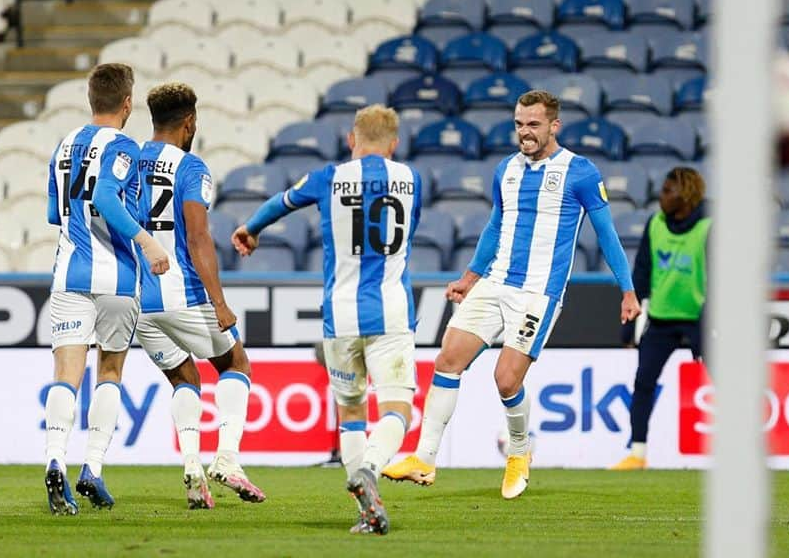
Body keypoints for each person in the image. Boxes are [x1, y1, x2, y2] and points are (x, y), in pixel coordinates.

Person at [382, 90, 641, 499]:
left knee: (506, 379)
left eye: (534, 124)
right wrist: (469, 278)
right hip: (495, 281)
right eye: (519, 123)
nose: (525, 132)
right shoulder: (506, 170)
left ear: (554, 126)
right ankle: (424, 458)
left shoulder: (581, 172)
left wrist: (626, 290)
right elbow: (494, 228)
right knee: (448, 358)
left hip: (539, 293)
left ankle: (519, 454)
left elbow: (606, 234)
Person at [231, 104, 421, 535]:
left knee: (351, 413)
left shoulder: (328, 178)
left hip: (340, 314)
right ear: (395, 144)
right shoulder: (411, 180)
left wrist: (251, 229)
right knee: (397, 409)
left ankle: (365, 511)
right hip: (391, 312)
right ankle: (371, 469)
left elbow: (282, 202)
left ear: (351, 140)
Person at [43, 63, 171, 515]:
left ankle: (54, 458)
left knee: (66, 375)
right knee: (111, 371)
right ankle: (92, 467)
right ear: (128, 103)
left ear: (90, 98)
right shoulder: (125, 146)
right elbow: (105, 198)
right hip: (117, 277)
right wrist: (147, 240)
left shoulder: (63, 146)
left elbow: (55, 216)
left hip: (70, 275)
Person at [132, 82, 265, 507]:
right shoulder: (190, 167)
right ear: (189, 123)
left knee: (185, 378)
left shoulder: (127, 160)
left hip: (137, 299)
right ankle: (227, 459)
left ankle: (192, 464)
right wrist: (219, 302)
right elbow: (198, 237)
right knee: (235, 362)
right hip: (181, 292)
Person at [611, 167, 710, 470]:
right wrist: (628, 326)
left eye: (669, 190)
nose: (661, 196)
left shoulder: (710, 227)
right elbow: (641, 272)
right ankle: (638, 454)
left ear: (687, 194)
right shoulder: (655, 224)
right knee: (643, 383)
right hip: (662, 317)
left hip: (700, 318)